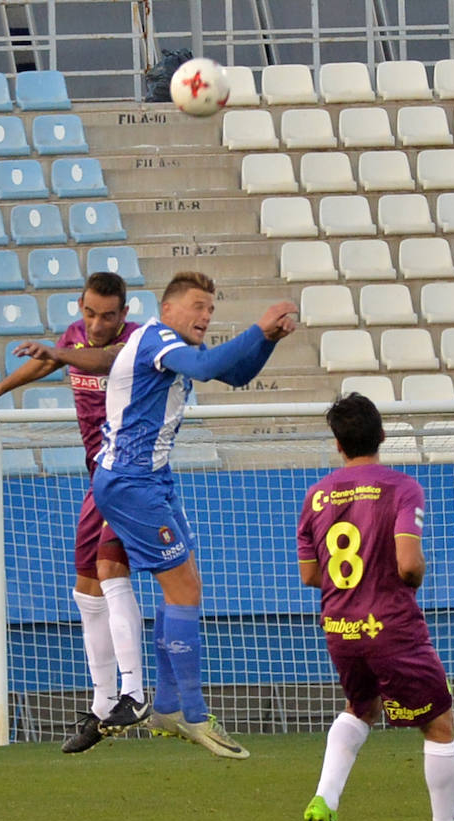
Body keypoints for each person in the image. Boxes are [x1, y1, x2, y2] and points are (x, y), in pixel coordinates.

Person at [92, 270, 297, 758]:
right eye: (199, 307)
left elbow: (235, 374)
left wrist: (264, 340)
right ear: (169, 310)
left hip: (150, 480)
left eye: (211, 308)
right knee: (183, 587)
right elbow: (205, 368)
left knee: (183, 587)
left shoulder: (172, 348)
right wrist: (257, 327)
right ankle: (193, 713)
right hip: (130, 483)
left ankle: (166, 704)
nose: (207, 316)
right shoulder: (158, 338)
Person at [0, 272, 141, 755]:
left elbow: (102, 361)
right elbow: (49, 364)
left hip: (128, 472)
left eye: (107, 315)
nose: (97, 323)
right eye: (89, 313)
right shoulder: (72, 339)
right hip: (95, 478)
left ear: (124, 313)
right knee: (85, 588)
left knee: (109, 569)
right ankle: (103, 705)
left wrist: (58, 353)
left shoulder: (138, 341)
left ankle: (134, 693)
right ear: (80, 307)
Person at [297, 392, 454, 821]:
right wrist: (415, 575)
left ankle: (325, 799)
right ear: (381, 436)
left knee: (361, 707)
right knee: (438, 723)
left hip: (340, 627)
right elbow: (407, 565)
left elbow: (310, 575)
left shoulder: (316, 495)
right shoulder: (402, 488)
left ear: (338, 445)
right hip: (391, 625)